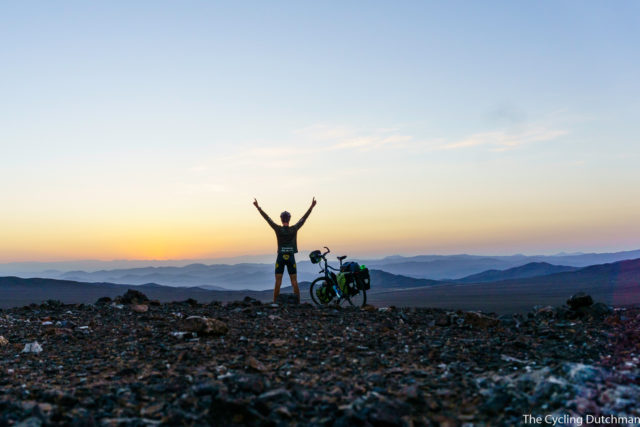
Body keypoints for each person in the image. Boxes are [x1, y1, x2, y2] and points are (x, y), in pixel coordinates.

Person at [253, 197, 317, 303]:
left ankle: (274, 303)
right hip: (291, 257)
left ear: (281, 219)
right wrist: (311, 207)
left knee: (278, 281)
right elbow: (303, 219)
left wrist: (258, 208)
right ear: (289, 219)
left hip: (281, 257)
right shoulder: (294, 229)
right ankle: (298, 303)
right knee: (294, 281)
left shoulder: (278, 229)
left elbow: (268, 219)